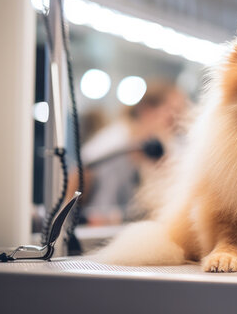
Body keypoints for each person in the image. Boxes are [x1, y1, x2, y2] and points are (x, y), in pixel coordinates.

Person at [79, 81, 188, 225]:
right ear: (147, 111)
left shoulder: (167, 149)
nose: (177, 124)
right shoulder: (113, 144)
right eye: (173, 114)